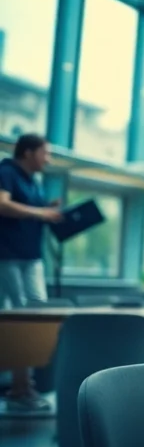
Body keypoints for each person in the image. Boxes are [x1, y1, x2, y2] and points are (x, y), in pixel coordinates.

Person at [0, 134, 62, 414]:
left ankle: (27, 385)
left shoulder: (32, 181)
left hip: (31, 257)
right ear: (27, 152)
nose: (47, 158)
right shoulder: (6, 172)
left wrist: (47, 211)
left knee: (39, 316)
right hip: (9, 257)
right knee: (19, 319)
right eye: (44, 152)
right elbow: (2, 204)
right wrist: (40, 213)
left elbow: (32, 212)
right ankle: (19, 389)